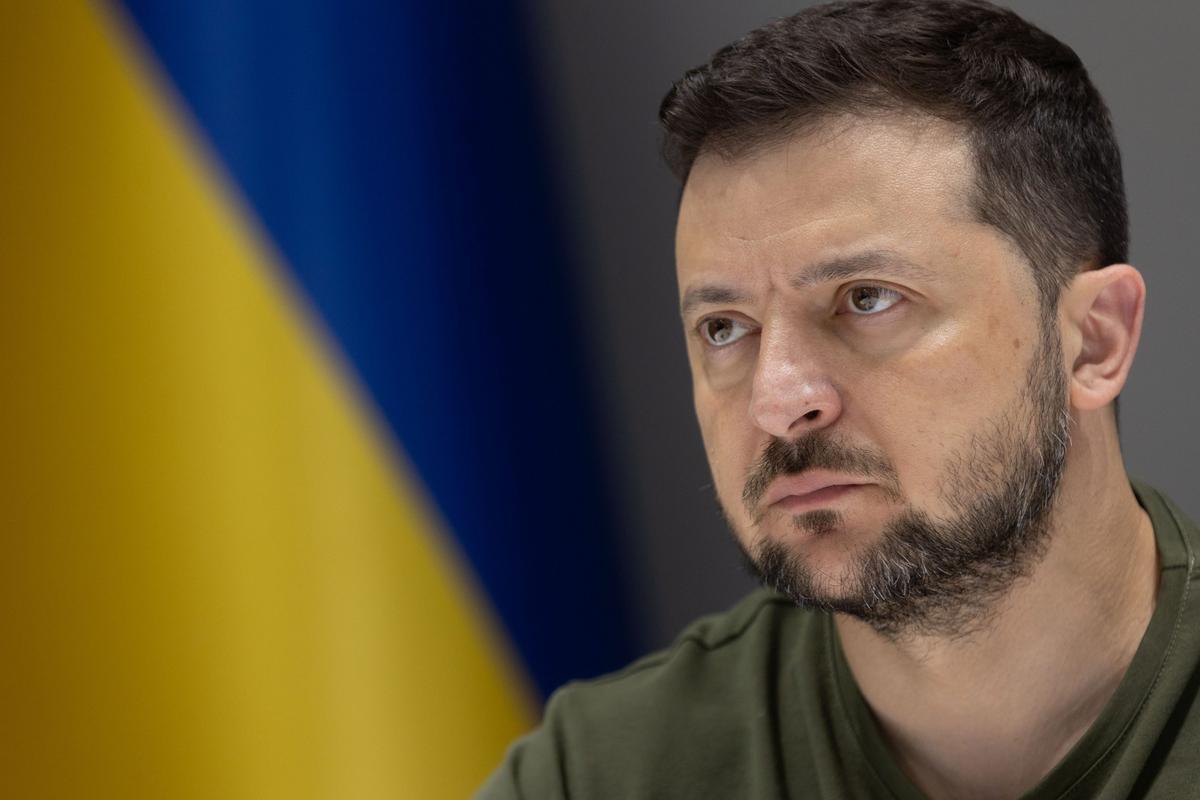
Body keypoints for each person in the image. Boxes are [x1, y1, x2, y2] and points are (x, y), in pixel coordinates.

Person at [479, 1, 1200, 797]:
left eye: (867, 299)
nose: (778, 401)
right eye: (725, 328)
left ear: (1093, 340)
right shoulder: (598, 775)